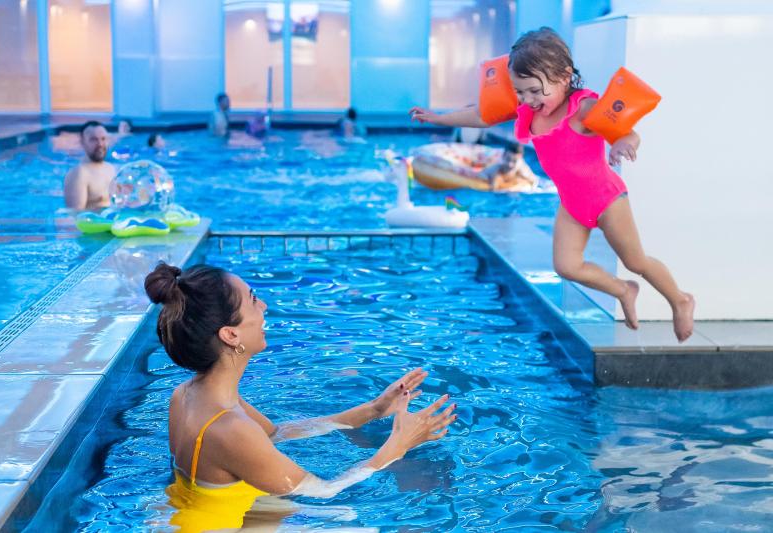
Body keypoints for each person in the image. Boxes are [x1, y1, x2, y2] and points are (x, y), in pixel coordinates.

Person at [409, 27, 695, 342]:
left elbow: (627, 132)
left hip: (607, 200)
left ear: (563, 76)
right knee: (567, 266)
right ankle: (623, 290)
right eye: (520, 92)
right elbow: (480, 115)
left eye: (534, 90)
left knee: (635, 260)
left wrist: (623, 145)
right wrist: (437, 118)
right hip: (572, 204)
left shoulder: (583, 109)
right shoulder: (526, 111)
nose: (527, 100)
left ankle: (680, 299)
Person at [144, 262, 456, 530]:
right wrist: (400, 442)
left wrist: (374, 409)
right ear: (230, 334)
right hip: (224, 526)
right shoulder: (228, 428)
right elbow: (326, 491)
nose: (263, 306)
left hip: (201, 513)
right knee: (358, 521)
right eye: (253, 301)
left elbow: (277, 434)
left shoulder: (189, 394)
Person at [63, 121, 116, 211]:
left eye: (103, 139)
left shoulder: (110, 169)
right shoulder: (79, 174)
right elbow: (75, 217)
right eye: (93, 139)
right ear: (82, 142)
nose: (100, 144)